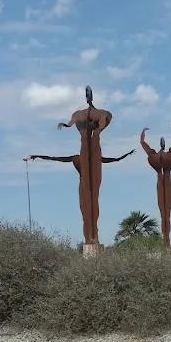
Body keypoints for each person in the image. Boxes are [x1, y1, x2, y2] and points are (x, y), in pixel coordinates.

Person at [24, 149, 135, 243]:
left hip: (87, 184)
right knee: (87, 209)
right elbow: (55, 158)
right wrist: (37, 156)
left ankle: (92, 236)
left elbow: (55, 158)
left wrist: (126, 155)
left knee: (89, 209)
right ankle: (91, 236)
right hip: (86, 184)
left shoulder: (85, 158)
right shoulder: (85, 158)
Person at [58, 86, 113, 244]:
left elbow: (102, 122)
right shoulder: (79, 114)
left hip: (94, 151)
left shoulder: (101, 113)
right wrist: (66, 125)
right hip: (86, 150)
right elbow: (71, 123)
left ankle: (93, 235)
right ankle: (89, 237)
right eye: (86, 94)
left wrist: (98, 128)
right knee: (86, 199)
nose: (88, 96)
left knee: (93, 196)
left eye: (89, 94)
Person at [140, 126, 171, 247]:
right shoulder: (169, 155)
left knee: (164, 211)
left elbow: (143, 143)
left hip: (160, 179)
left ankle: (166, 239)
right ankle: (166, 239)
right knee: (166, 211)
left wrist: (142, 133)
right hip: (167, 179)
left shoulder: (154, 157)